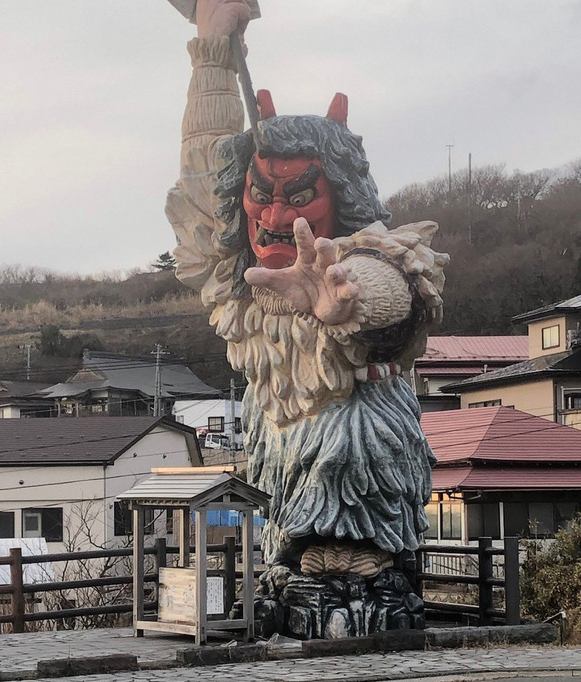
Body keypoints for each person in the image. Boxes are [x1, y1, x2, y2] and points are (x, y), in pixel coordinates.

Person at [166, 0, 447, 634]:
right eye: (259, 194)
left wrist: (346, 301)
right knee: (277, 468)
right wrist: (212, 46)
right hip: (277, 425)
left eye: (299, 195)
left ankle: (366, 565)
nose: (273, 215)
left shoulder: (363, 249)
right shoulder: (237, 282)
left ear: (338, 195)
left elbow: (397, 286)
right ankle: (288, 566)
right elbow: (202, 165)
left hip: (356, 423)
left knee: (348, 440)